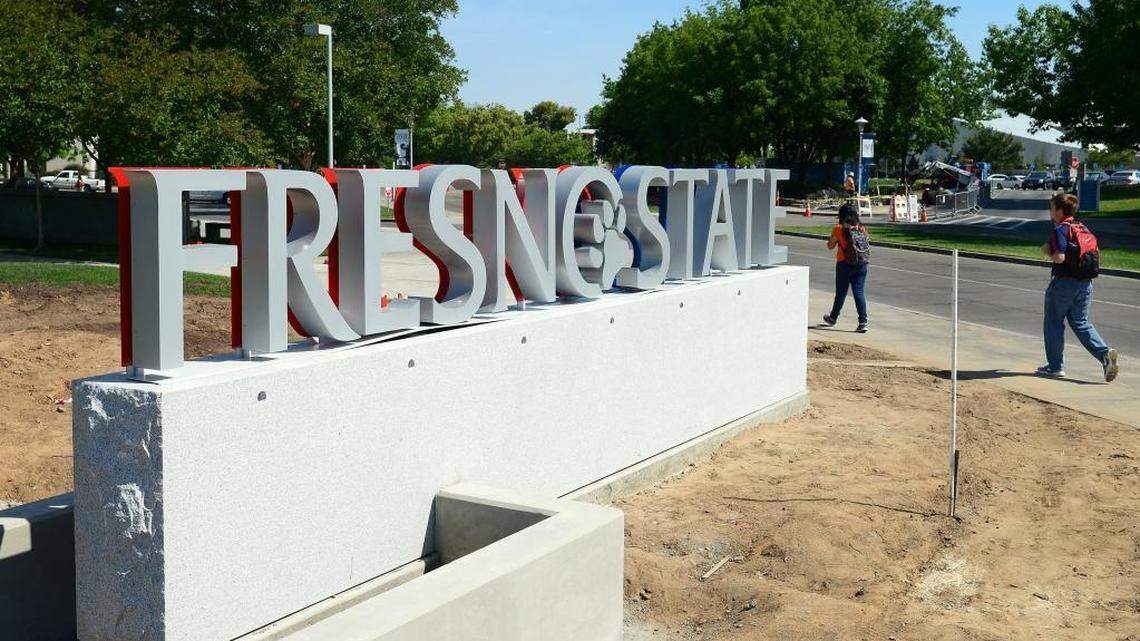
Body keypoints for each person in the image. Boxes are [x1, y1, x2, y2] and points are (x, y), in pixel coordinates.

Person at [1037, 193, 1119, 381]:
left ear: (1059, 210)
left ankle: (1055, 367)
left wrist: (1047, 251)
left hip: (1063, 284)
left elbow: (1060, 257)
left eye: (1051, 208)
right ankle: (1105, 354)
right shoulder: (1082, 227)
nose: (1050, 211)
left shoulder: (1060, 231)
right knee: (1081, 322)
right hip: (1085, 284)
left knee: (1053, 323)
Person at [822, 202, 870, 333]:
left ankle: (833, 317)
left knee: (841, 293)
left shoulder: (838, 229)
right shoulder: (861, 229)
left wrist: (834, 238)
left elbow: (830, 246)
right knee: (859, 293)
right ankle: (863, 322)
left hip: (844, 265)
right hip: (861, 264)